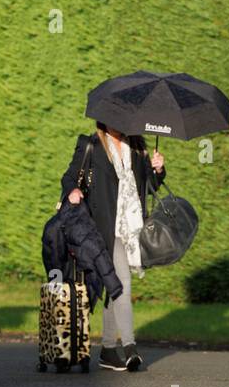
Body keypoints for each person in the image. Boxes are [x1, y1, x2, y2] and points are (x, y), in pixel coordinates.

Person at [61, 122, 165, 371]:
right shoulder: (92, 145)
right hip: (103, 229)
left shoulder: (137, 146)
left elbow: (148, 186)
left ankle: (108, 350)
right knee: (122, 284)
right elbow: (68, 177)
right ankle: (130, 347)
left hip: (130, 228)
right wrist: (73, 190)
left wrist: (158, 170)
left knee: (112, 285)